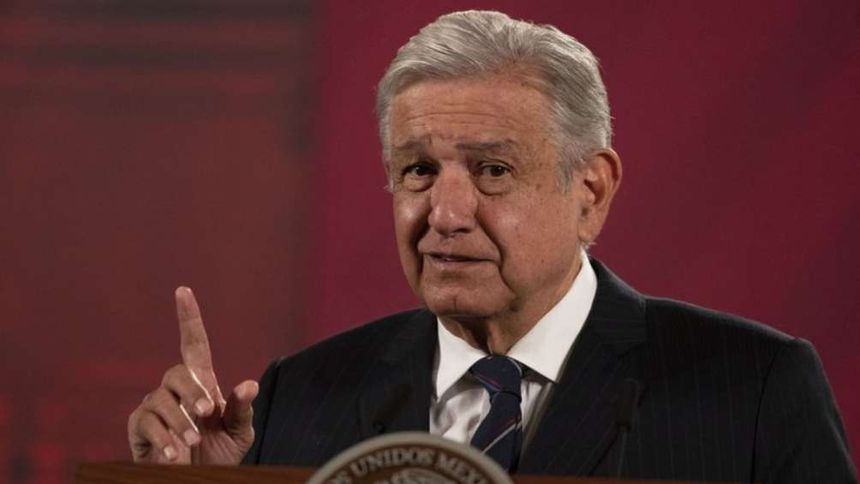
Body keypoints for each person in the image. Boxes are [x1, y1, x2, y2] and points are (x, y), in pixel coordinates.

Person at [127, 10, 855, 482]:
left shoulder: (751, 390)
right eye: (418, 170)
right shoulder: (299, 398)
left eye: (493, 171)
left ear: (591, 191)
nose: (445, 214)